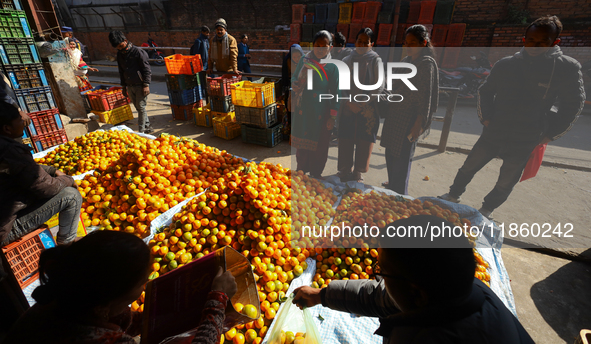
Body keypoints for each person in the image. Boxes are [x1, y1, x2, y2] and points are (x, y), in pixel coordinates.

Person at [293, 215, 535, 344]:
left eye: (383, 273)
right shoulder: (468, 290)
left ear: (417, 293)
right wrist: (322, 295)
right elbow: (382, 297)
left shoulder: (422, 337)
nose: (379, 279)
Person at [439, 15, 585, 217]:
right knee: (469, 166)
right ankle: (453, 195)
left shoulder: (565, 68)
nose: (536, 46)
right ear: (524, 40)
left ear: (555, 42)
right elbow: (486, 91)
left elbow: (573, 104)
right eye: (532, 41)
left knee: (507, 179)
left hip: (528, 136)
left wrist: (551, 134)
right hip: (495, 130)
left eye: (543, 42)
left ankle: (486, 210)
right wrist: (486, 118)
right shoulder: (507, 64)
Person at [3, 230, 238, 344]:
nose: (146, 287)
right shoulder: (101, 340)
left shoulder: (63, 297)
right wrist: (217, 301)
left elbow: (117, 316)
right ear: (109, 298)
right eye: (142, 282)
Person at [0, 101, 81, 247]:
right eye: (19, 119)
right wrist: (68, 179)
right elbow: (46, 188)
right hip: (4, 229)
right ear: (7, 128)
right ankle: (67, 246)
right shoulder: (10, 151)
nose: (24, 121)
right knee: (71, 195)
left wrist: (51, 170)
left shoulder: (6, 149)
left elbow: (24, 167)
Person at [381, 25, 439, 195]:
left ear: (424, 43)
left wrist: (419, 124)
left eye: (413, 42)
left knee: (403, 157)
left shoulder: (426, 64)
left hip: (410, 118)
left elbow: (424, 96)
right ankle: (392, 183)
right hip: (394, 115)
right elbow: (393, 83)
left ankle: (399, 192)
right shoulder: (406, 61)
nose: (408, 46)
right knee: (390, 154)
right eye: (406, 42)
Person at [290, 30, 339, 178]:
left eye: (324, 46)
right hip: (303, 109)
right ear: (313, 45)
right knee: (302, 144)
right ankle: (301, 171)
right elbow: (294, 78)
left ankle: (316, 175)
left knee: (320, 144)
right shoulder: (304, 60)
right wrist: (295, 85)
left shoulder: (332, 66)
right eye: (317, 45)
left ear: (330, 47)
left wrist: (332, 117)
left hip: (321, 111)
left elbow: (337, 92)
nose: (320, 49)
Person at [337, 28, 384, 182]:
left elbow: (379, 85)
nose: (362, 45)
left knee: (365, 140)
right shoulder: (346, 61)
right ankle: (345, 169)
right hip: (348, 107)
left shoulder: (376, 60)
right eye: (359, 41)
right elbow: (340, 85)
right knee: (346, 138)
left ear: (372, 44)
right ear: (355, 42)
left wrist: (366, 101)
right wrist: (348, 102)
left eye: (366, 42)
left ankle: (358, 171)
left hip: (368, 108)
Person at [108, 31, 154, 134]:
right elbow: (121, 71)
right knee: (138, 107)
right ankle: (147, 126)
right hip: (129, 85)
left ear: (125, 41)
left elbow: (146, 70)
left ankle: (141, 131)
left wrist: (146, 85)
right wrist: (124, 86)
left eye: (121, 46)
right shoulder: (120, 54)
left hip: (140, 85)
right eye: (118, 48)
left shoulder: (138, 52)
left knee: (141, 107)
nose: (120, 49)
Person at [190, 25, 211, 102]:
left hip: (206, 63)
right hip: (201, 64)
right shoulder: (199, 41)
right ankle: (202, 95)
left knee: (208, 79)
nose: (208, 34)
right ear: (202, 32)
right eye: (206, 33)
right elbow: (196, 54)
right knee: (202, 81)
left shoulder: (206, 41)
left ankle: (206, 93)